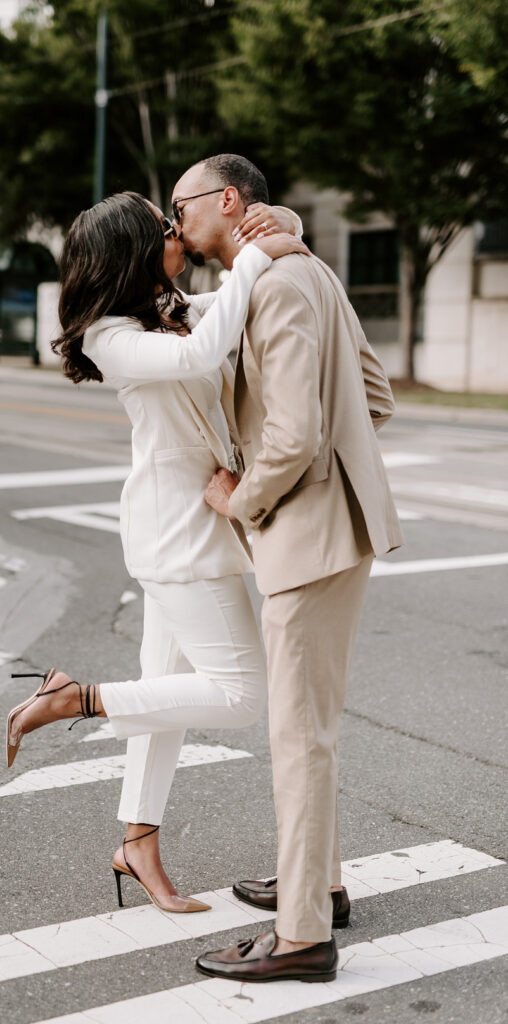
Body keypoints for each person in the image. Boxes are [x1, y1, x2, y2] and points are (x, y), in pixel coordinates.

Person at [5, 191, 308, 915]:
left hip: (192, 525)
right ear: (134, 248)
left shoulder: (164, 312)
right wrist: (264, 249)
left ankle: (137, 842)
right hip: (178, 535)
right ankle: (74, 698)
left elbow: (229, 309)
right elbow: (209, 346)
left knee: (166, 697)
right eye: (164, 227)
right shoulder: (110, 336)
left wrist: (285, 226)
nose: (178, 234)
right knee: (240, 696)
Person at [166, 154, 403, 981]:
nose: (175, 222)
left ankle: (304, 936)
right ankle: (321, 885)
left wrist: (242, 498)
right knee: (312, 730)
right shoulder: (305, 273)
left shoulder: (274, 284)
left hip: (306, 538)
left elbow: (297, 436)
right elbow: (374, 397)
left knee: (298, 738)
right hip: (338, 531)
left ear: (229, 201)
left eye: (182, 205)